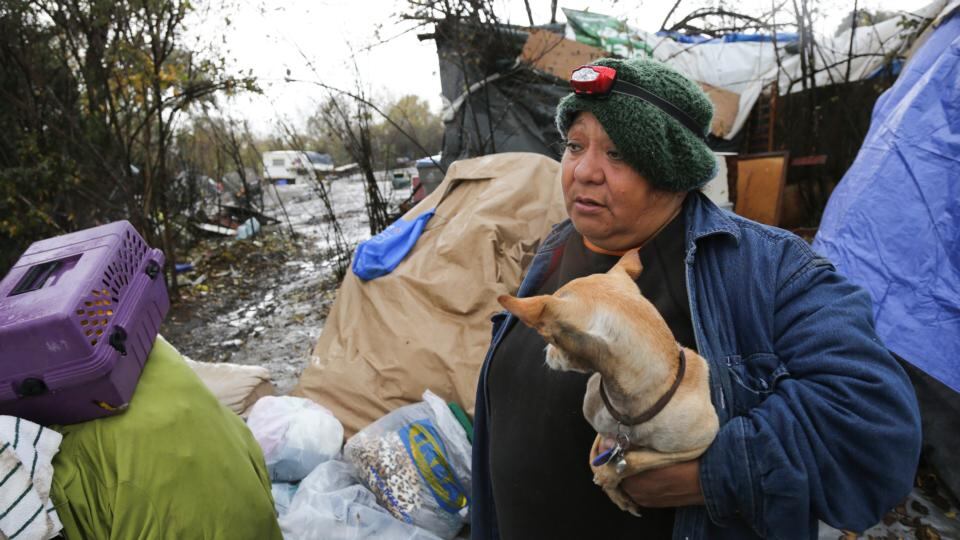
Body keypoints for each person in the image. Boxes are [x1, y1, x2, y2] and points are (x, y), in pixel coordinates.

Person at [469, 57, 921, 540]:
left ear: (673, 169)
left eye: (617, 153)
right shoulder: (557, 249)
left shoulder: (768, 271)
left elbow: (878, 428)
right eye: (575, 146)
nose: (584, 171)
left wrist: (714, 475)